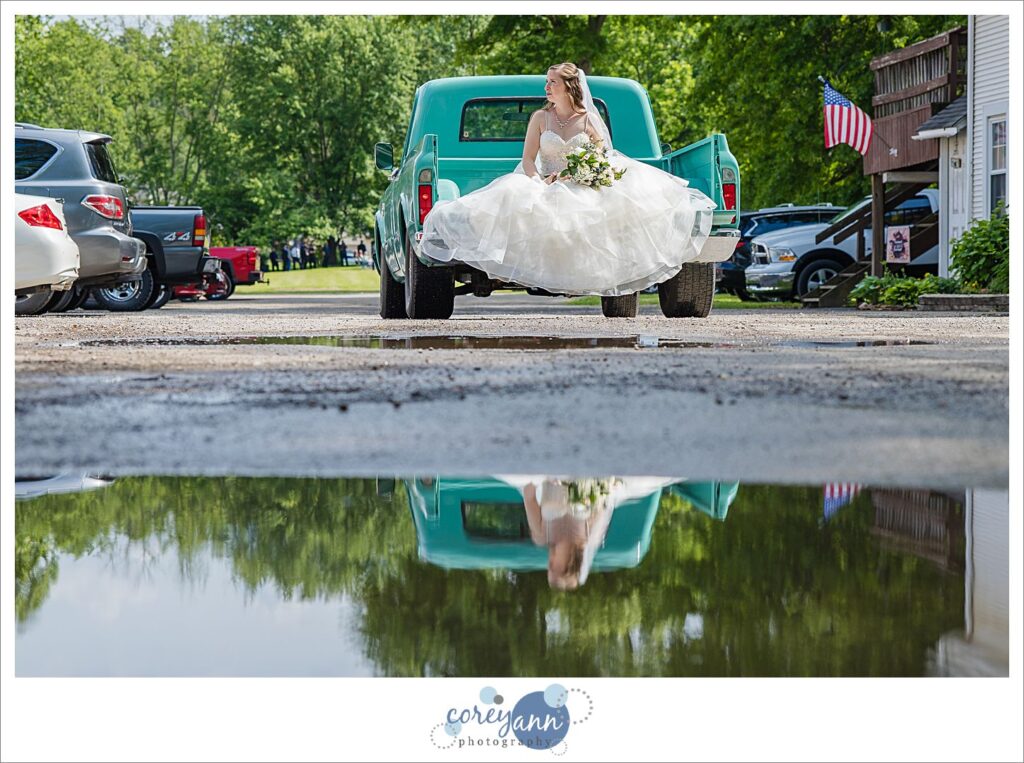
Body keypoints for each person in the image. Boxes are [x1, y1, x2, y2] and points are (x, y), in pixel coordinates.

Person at [420, 62, 716, 296]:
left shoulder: (587, 120)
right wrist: (537, 182)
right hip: (543, 180)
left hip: (577, 183)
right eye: (547, 82)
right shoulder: (540, 118)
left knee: (600, 207)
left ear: (568, 87)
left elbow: (602, 157)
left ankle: (598, 276)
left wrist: (575, 173)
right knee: (519, 199)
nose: (547, 87)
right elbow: (527, 159)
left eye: (552, 82)